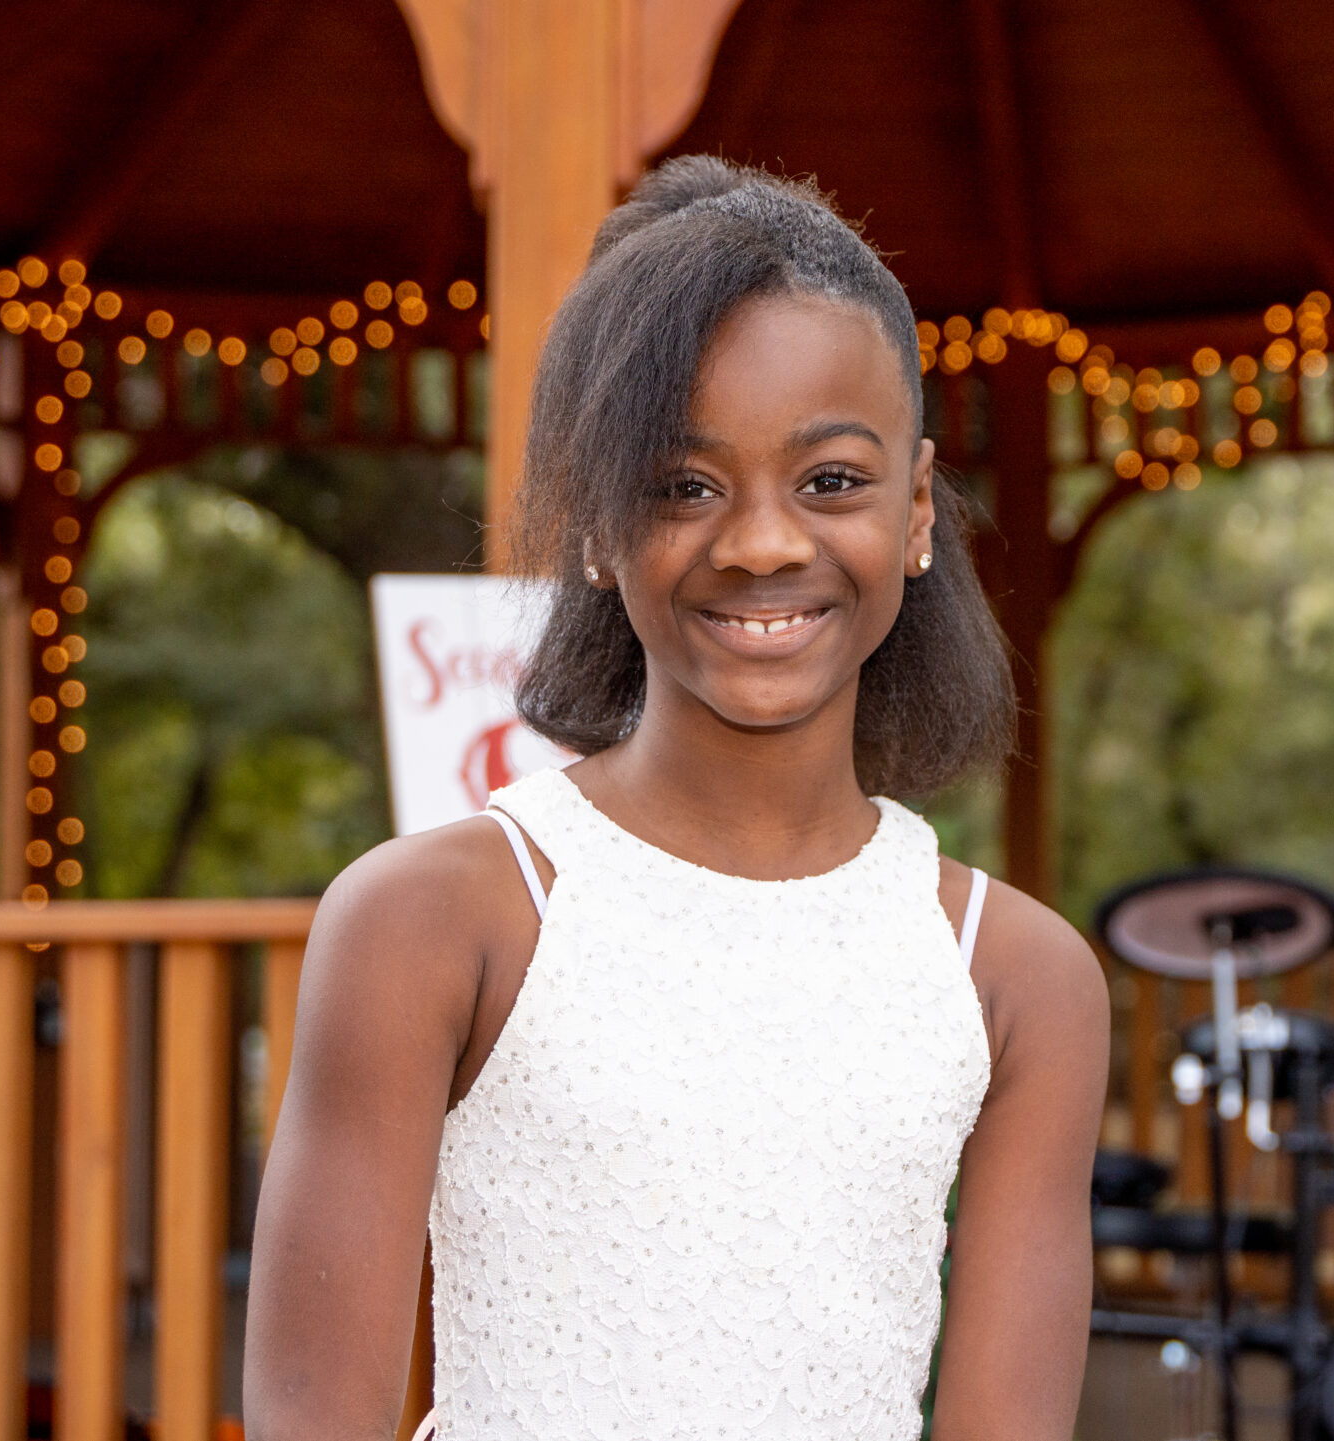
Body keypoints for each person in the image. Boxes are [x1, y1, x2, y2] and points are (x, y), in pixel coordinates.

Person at [245, 157, 1108, 1441]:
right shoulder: (434, 919)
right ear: (598, 523)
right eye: (684, 486)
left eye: (830, 481)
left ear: (917, 508)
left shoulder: (1015, 977)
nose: (762, 542)